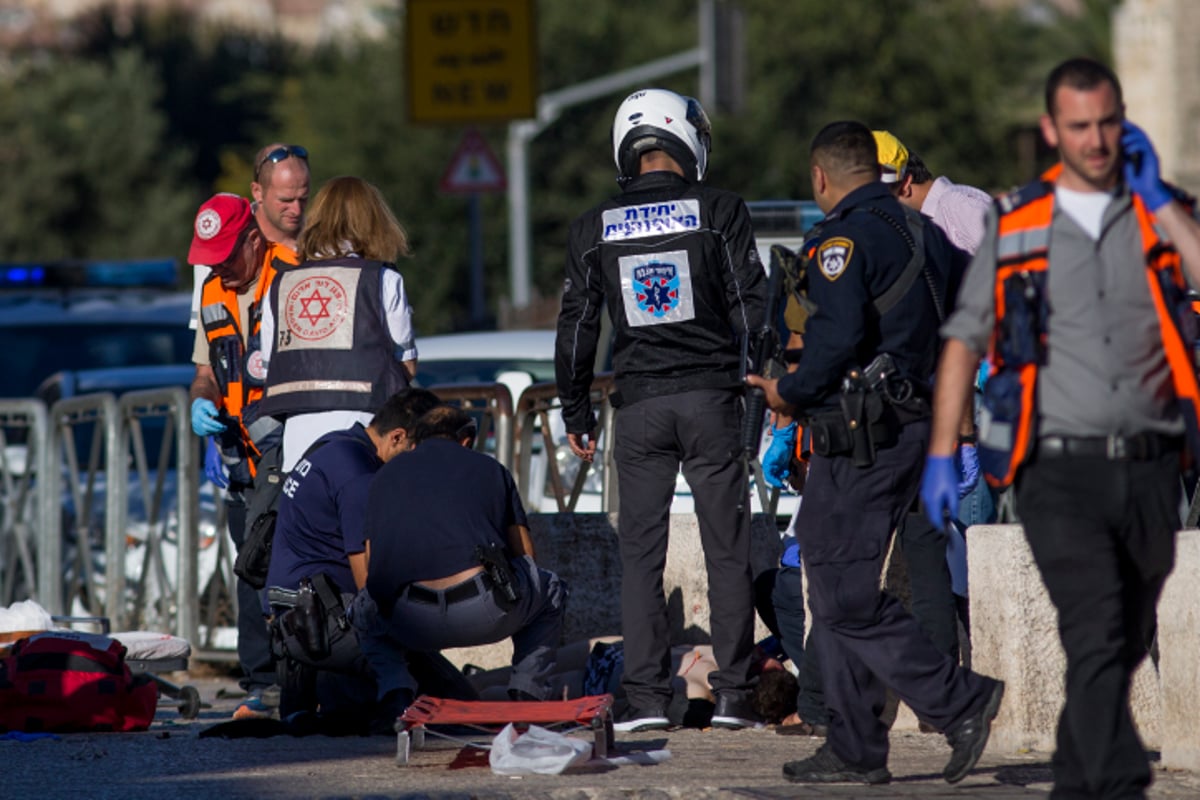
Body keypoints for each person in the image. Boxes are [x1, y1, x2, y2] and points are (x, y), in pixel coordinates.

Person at [920, 57, 1200, 800]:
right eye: (1080, 126)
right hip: (1056, 469)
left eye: (1109, 123)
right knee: (1096, 628)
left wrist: (1161, 201)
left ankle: (1079, 780)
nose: (1098, 140)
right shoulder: (1017, 221)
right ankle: (1119, 780)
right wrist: (943, 452)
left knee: (1123, 637)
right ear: (1052, 130)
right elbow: (963, 339)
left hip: (1149, 463)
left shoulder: (1157, 212)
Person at [745, 120, 1003, 786]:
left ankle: (960, 700)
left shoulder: (840, 241)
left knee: (842, 587)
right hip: (916, 427)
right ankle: (855, 747)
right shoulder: (928, 232)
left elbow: (830, 346)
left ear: (821, 178)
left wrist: (786, 392)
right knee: (837, 591)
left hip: (861, 436)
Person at [554, 88, 768, 732]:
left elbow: (575, 333)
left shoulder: (593, 228)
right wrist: (763, 391)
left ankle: (644, 700)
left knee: (640, 556)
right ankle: (733, 695)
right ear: (687, 141)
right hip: (711, 403)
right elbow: (752, 314)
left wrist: (574, 414)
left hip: (639, 408)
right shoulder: (721, 211)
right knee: (727, 551)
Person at [263, 388, 474, 729]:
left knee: (439, 686)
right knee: (456, 705)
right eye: (418, 450)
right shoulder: (360, 475)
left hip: (304, 611)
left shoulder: (336, 444)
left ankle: (337, 690)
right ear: (397, 437)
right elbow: (370, 586)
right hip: (319, 621)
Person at [349, 405, 567, 718]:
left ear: (417, 440)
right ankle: (527, 693)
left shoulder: (383, 476)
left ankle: (396, 691)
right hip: (483, 608)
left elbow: (371, 564)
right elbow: (526, 556)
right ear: (465, 441)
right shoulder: (490, 468)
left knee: (361, 610)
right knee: (553, 588)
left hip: (408, 619)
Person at [187, 192, 300, 719]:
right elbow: (206, 373)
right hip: (237, 454)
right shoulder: (210, 290)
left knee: (282, 566)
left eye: (227, 253)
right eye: (210, 256)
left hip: (286, 446)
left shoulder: (293, 274)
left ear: (253, 236)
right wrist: (200, 406)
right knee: (247, 564)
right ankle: (261, 682)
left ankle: (295, 682)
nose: (218, 265)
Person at [258, 176, 418, 472]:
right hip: (364, 440)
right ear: (374, 221)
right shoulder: (384, 280)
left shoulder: (280, 286)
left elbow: (270, 368)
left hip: (298, 446)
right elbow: (406, 366)